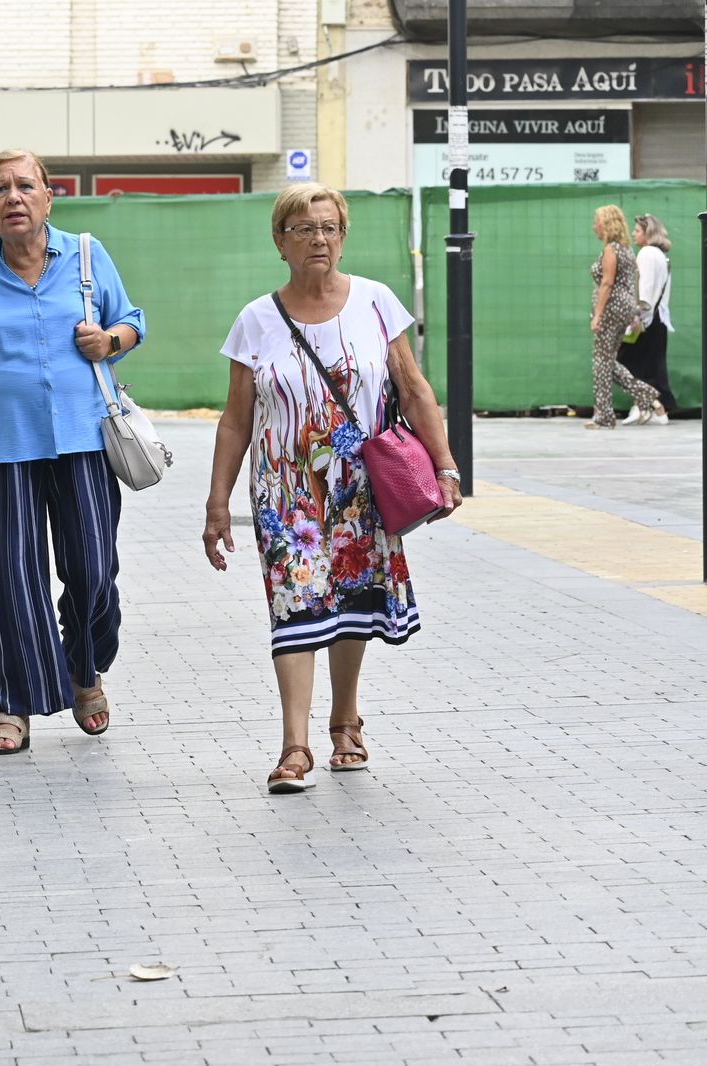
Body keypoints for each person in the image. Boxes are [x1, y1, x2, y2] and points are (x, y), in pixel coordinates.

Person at [201, 182, 462, 794]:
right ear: (279, 242)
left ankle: (346, 719)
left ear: (342, 237)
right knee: (294, 604)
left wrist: (446, 466)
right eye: (303, 229)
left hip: (361, 488)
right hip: (286, 494)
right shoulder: (256, 321)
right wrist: (217, 503)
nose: (318, 239)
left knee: (352, 601)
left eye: (329, 228)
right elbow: (236, 418)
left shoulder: (376, 303)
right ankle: (296, 745)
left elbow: (416, 388)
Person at [0, 149, 146, 756]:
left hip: (85, 441)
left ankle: (84, 669)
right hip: (6, 450)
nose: (14, 197)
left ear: (49, 197)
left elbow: (131, 320)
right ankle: (13, 706)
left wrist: (109, 340)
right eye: (1, 189)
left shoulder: (86, 254)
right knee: (13, 579)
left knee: (94, 571)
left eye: (26, 186)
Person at [585, 204, 659, 430]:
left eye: (597, 222)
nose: (594, 227)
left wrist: (597, 315)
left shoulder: (611, 250)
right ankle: (646, 395)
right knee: (606, 362)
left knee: (601, 362)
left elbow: (607, 283)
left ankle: (605, 415)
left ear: (606, 225)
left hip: (611, 309)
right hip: (624, 309)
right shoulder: (626, 249)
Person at [617, 212, 675, 425]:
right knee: (650, 365)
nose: (633, 233)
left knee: (625, 362)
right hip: (658, 316)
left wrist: (637, 316)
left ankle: (648, 406)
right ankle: (646, 407)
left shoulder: (646, 253)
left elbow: (646, 289)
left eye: (638, 230)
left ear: (648, 232)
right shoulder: (660, 255)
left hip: (647, 317)